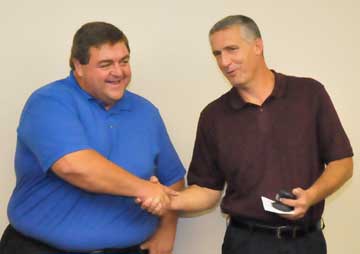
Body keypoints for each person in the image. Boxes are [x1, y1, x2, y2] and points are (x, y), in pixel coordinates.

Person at [139, 15, 353, 254]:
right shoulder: (213, 116)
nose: (224, 61)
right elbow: (207, 190)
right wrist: (169, 199)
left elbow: (342, 162)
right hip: (245, 243)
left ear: (258, 46)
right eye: (217, 54)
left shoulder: (309, 94)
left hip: (307, 242)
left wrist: (312, 195)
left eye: (231, 49)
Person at [0, 21, 185, 254]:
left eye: (124, 61)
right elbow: (75, 167)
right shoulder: (49, 102)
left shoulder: (146, 112)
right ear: (78, 66)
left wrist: (167, 228)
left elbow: (173, 179)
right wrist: (145, 189)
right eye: (106, 64)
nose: (118, 72)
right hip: (40, 249)